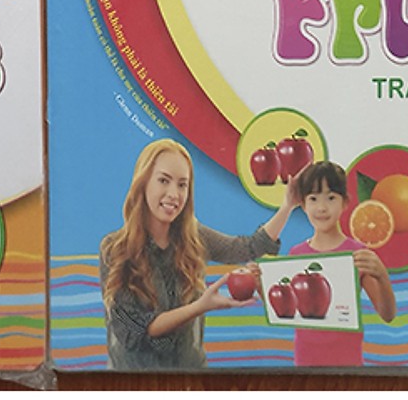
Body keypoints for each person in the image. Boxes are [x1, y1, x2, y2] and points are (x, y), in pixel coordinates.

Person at [99, 137, 296, 370]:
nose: (174, 193)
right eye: (164, 180)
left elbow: (248, 247)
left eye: (182, 185)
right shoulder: (114, 249)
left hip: (192, 375)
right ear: (143, 183)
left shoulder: (194, 237)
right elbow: (134, 330)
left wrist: (288, 206)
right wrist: (201, 306)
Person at [287, 160, 396, 367]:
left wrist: (382, 275)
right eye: (313, 199)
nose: (321, 208)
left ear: (345, 203)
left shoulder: (358, 253)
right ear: (303, 205)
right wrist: (259, 282)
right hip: (305, 361)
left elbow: (388, 314)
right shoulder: (296, 254)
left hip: (348, 360)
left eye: (331, 198)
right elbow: (287, 309)